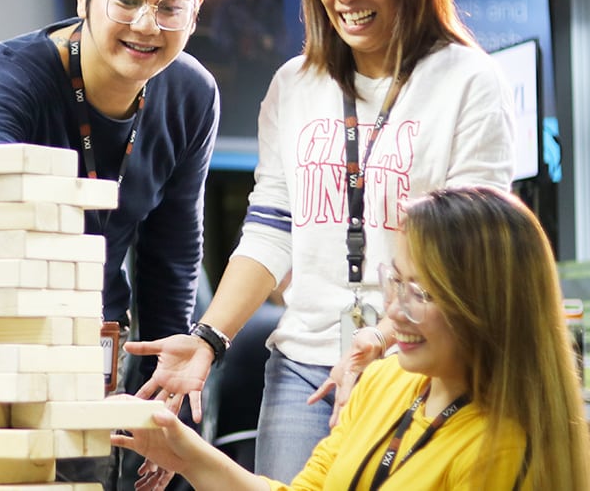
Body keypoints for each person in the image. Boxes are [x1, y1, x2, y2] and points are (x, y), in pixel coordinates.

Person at [124, 0, 517, 482]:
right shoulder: (294, 86)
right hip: (302, 367)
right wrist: (208, 339)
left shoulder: (467, 81)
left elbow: (475, 251)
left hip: (418, 361)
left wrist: (383, 337)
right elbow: (272, 228)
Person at [0, 0, 220, 489]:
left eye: (171, 6)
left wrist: (158, 395)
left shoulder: (191, 94)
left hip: (99, 337)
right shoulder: (11, 76)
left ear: (195, 11)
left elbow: (171, 252)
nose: (147, 25)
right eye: (126, 0)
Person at [114, 187, 590, 491]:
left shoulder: (503, 450)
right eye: (395, 282)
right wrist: (187, 454)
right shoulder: (384, 384)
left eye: (421, 293)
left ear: (488, 304)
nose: (396, 311)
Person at [209, 0, 285, 137]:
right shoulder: (230, 5)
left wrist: (270, 43)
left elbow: (282, 38)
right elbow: (218, 34)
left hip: (264, 69)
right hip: (236, 68)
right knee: (236, 112)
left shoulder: (270, 7)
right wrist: (236, 46)